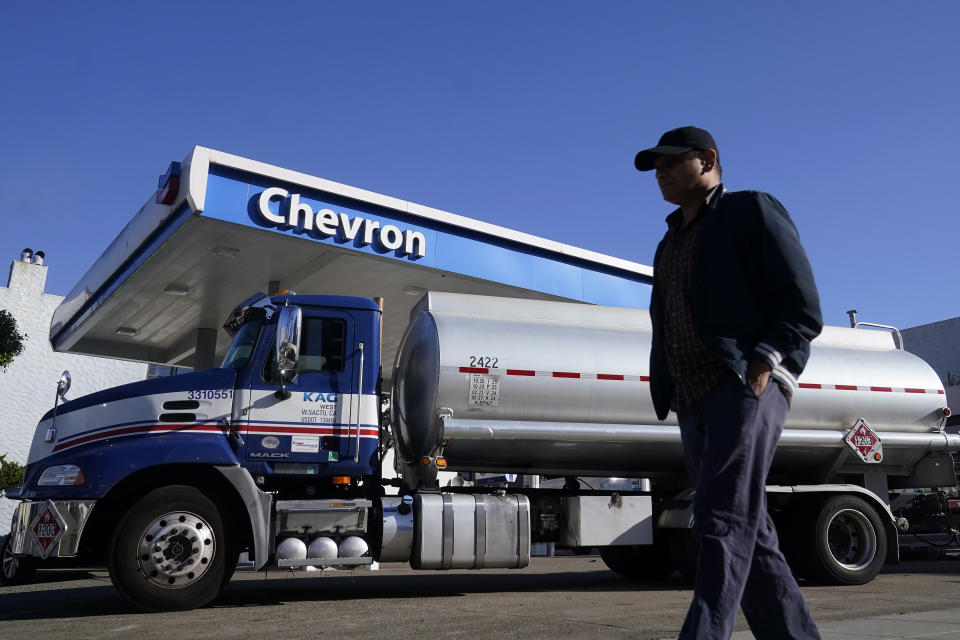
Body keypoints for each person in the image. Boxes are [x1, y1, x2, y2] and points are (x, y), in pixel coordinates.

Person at [635, 126, 823, 639]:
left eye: (671, 161)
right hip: (692, 399)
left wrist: (763, 360)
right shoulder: (669, 241)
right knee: (750, 532)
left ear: (708, 160)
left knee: (719, 517)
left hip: (743, 384)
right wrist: (671, 390)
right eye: (656, 166)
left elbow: (802, 304)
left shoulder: (749, 211)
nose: (661, 171)